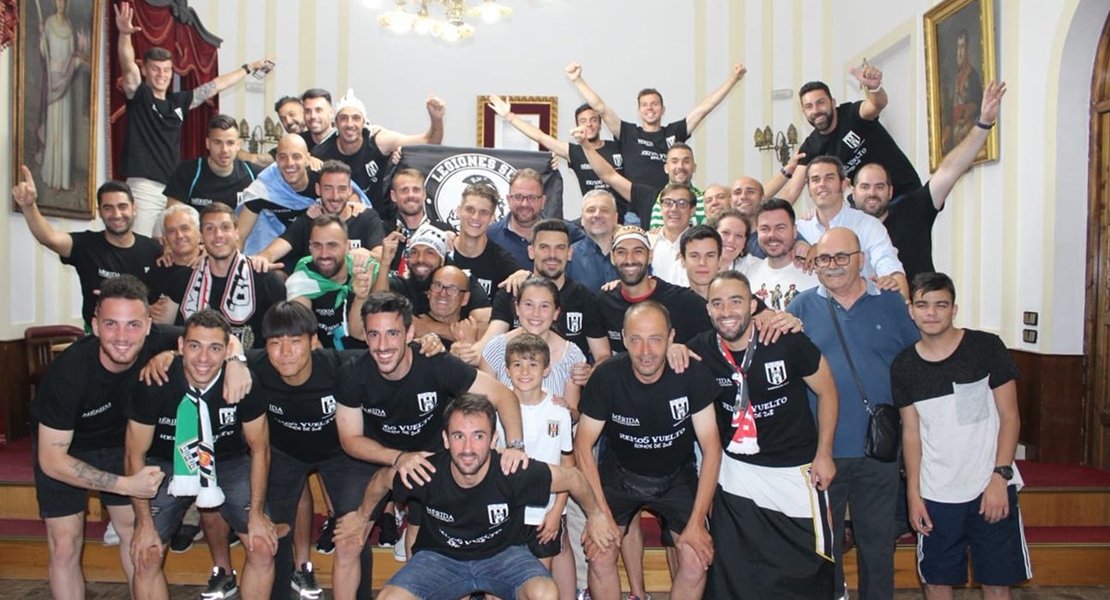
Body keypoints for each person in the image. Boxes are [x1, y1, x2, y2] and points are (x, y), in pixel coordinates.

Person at [334, 292, 530, 597]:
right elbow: (350, 440)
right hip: (374, 456)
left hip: (431, 458)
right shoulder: (353, 373)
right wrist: (399, 457)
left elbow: (503, 396)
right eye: (374, 335)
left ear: (410, 333)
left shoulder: (436, 363)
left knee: (423, 544)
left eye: (392, 334)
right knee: (347, 540)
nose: (383, 346)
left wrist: (515, 447)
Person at [339, 393, 617, 600]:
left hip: (504, 556)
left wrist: (596, 516)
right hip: (441, 559)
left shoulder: (512, 470)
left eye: (479, 436)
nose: (468, 448)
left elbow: (573, 478)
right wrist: (361, 517)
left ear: (494, 439)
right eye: (459, 436)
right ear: (446, 440)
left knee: (545, 593)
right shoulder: (426, 472)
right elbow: (381, 480)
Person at [785, 227, 920, 600]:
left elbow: (914, 366)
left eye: (842, 257)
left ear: (861, 260)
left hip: (879, 449)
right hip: (821, 452)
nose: (833, 265)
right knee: (823, 549)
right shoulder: (800, 308)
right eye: (824, 258)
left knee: (878, 545)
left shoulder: (891, 304)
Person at [687, 271, 839, 599]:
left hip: (795, 471)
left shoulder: (785, 339)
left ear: (753, 305)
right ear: (708, 309)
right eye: (717, 303)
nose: (727, 311)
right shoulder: (700, 350)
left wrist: (824, 454)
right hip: (738, 474)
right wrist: (673, 349)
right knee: (737, 570)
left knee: (810, 570)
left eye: (736, 301)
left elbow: (827, 391)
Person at [29, 276, 174, 600]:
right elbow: (52, 460)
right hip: (64, 449)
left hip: (118, 443)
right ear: (94, 326)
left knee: (135, 535)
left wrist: (173, 355)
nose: (122, 337)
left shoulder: (162, 340)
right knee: (65, 543)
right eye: (111, 324)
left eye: (133, 325)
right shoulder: (67, 374)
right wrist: (125, 485)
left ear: (149, 326)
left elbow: (221, 339)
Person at [892, 273, 1031, 599]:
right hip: (936, 493)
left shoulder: (986, 347)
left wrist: (1000, 477)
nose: (931, 313)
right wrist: (913, 495)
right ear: (911, 310)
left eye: (941, 305)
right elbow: (911, 434)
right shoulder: (903, 365)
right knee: (936, 581)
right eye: (923, 305)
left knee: (997, 582)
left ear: (954, 309)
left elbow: (1010, 416)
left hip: (989, 487)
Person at [126, 309, 279, 600]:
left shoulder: (243, 384)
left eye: (215, 348)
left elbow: (260, 450)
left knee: (261, 545)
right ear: (180, 346)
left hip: (227, 462)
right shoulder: (155, 380)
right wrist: (144, 524)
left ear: (227, 350)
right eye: (195, 346)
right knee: (146, 554)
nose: (203, 358)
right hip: (166, 465)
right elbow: (134, 455)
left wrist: (257, 514)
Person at [575, 301, 723, 600]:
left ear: (671, 338)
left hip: (676, 477)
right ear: (623, 339)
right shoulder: (607, 377)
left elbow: (712, 449)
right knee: (599, 552)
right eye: (636, 339)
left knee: (696, 558)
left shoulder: (691, 374)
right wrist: (598, 514)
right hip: (620, 475)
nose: (645, 351)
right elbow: (582, 445)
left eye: (655, 339)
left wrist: (697, 523)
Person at [114, 1, 271, 236]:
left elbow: (214, 86)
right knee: (141, 246)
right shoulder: (140, 96)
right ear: (145, 70)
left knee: (174, 247)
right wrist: (125, 35)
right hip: (144, 186)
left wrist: (248, 68)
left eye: (166, 70)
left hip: (175, 189)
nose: (161, 74)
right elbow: (127, 66)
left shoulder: (178, 102)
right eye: (155, 69)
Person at [853, 82, 1006, 280]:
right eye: (865, 187)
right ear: (853, 192)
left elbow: (950, 170)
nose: (872, 193)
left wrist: (983, 123)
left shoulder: (914, 209)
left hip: (923, 299)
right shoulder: (846, 229)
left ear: (890, 191)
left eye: (879, 186)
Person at [13, 169, 162, 327]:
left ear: (134, 208)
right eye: (108, 208)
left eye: (122, 206)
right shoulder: (86, 244)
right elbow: (49, 238)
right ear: (100, 212)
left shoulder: (154, 249)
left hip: (144, 332)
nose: (116, 214)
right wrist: (29, 207)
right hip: (98, 334)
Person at [567, 61, 746, 190]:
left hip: (671, 205)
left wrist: (733, 79)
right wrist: (578, 80)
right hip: (635, 211)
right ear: (639, 111)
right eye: (644, 105)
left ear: (663, 109)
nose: (650, 108)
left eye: (654, 104)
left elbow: (704, 108)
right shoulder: (628, 132)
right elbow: (601, 108)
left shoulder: (674, 132)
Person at [763, 66, 920, 206]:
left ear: (832, 103)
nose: (816, 110)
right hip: (870, 208)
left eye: (821, 103)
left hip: (906, 194)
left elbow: (876, 104)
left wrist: (875, 88)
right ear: (804, 112)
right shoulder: (810, 148)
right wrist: (774, 218)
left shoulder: (852, 114)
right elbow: (792, 191)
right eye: (809, 106)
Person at [501, 334, 579, 596]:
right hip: (506, 513)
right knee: (502, 580)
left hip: (544, 514)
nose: (525, 371)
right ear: (507, 370)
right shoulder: (496, 409)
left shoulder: (559, 412)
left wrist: (557, 511)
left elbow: (568, 466)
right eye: (517, 364)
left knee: (539, 581)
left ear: (546, 370)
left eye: (533, 364)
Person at [475, 219, 610, 365]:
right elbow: (488, 345)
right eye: (544, 247)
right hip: (518, 378)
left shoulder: (584, 297)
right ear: (531, 252)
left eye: (560, 248)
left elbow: (602, 356)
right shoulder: (512, 291)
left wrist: (589, 373)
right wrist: (466, 352)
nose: (552, 255)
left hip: (570, 379)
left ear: (569, 253)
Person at [312, 89, 446, 219]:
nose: (350, 124)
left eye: (356, 118)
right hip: (343, 222)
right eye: (343, 118)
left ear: (364, 122)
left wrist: (436, 119)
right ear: (335, 123)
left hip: (383, 219)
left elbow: (429, 143)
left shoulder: (379, 142)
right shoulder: (321, 154)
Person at [171, 204, 287, 349]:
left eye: (225, 227)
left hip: (250, 362)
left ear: (237, 233)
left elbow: (282, 340)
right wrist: (170, 354)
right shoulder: (183, 280)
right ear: (201, 236)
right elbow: (164, 330)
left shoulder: (266, 281)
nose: (218, 234)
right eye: (209, 228)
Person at [796, 155, 909, 298]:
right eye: (815, 179)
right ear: (808, 188)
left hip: (861, 307)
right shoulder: (800, 229)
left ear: (844, 185)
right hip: (813, 309)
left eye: (829, 178)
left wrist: (897, 287)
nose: (822, 184)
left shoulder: (868, 225)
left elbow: (888, 265)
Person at [249, 159, 383, 276]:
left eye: (341, 189)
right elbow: (273, 251)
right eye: (328, 188)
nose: (335, 196)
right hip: (313, 292)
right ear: (318, 189)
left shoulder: (366, 217)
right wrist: (262, 258)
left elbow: (382, 256)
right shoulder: (309, 219)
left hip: (357, 288)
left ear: (350, 190)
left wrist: (366, 254)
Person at [488, 97, 627, 205]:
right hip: (593, 216)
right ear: (577, 126)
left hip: (626, 216)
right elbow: (541, 137)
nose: (589, 124)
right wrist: (509, 116)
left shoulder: (618, 147)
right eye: (583, 121)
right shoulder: (574, 151)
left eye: (593, 120)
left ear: (600, 124)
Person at [598, 225, 712, 354]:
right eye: (621, 252)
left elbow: (713, 346)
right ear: (612, 257)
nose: (630, 259)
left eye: (638, 251)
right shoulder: (604, 302)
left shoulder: (685, 302)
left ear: (650, 256)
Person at [480, 277, 589, 403]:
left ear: (556, 312)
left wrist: (564, 409)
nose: (536, 313)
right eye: (529, 304)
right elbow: (482, 405)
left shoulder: (572, 356)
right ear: (517, 308)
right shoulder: (494, 349)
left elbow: (573, 411)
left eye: (544, 306)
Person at [572, 128, 701, 230]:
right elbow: (608, 175)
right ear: (666, 168)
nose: (680, 166)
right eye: (674, 161)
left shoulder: (706, 199)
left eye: (686, 161)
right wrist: (586, 145)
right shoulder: (647, 196)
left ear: (694, 167)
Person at [284, 214, 381, 349]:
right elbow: (303, 333)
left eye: (332, 245)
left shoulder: (367, 269)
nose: (324, 254)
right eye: (317, 246)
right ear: (310, 247)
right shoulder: (304, 273)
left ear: (347, 246)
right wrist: (326, 360)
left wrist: (361, 296)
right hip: (323, 355)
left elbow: (378, 330)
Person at [163, 114, 263, 212]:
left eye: (230, 143)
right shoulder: (187, 172)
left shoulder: (255, 175)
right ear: (208, 143)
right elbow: (173, 217)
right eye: (217, 142)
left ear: (238, 145)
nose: (224, 150)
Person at [38, 0, 89, 190]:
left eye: (63, 1)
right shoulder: (49, 23)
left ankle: (62, 178)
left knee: (64, 129)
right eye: (58, 1)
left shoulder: (69, 26)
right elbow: (45, 52)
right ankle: (51, 174)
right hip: (54, 80)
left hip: (66, 82)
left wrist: (77, 59)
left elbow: (72, 55)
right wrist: (42, 36)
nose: (61, 4)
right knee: (54, 129)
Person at [448, 183, 527, 296]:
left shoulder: (502, 261)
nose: (475, 217)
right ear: (458, 211)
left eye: (483, 212)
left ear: (492, 218)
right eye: (470, 209)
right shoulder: (441, 251)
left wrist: (525, 276)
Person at [744, 198, 820, 306]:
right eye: (764, 229)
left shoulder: (816, 274)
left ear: (794, 231)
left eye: (780, 228)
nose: (772, 235)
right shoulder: (747, 274)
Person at [487, 168, 564, 270]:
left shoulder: (565, 233)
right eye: (518, 197)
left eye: (532, 197)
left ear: (543, 201)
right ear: (509, 200)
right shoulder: (489, 237)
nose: (525, 204)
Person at [567, 189, 621, 294]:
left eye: (604, 210)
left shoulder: (631, 254)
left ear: (616, 218)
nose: (597, 215)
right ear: (582, 219)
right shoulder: (569, 256)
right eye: (591, 210)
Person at [942, 30, 985, 155]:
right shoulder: (955, 79)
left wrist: (967, 110)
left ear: (967, 51)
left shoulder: (972, 76)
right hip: (956, 140)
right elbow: (950, 111)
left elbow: (978, 106)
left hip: (969, 134)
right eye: (958, 48)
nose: (960, 53)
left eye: (962, 47)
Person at [650, 184, 698, 285]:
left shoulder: (700, 245)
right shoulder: (648, 242)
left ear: (692, 210)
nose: (674, 209)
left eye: (682, 203)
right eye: (668, 203)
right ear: (661, 208)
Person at [678, 225, 722, 298]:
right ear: (683, 260)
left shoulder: (737, 302)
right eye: (694, 256)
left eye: (710, 255)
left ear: (719, 260)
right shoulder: (671, 303)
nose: (702, 263)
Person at [710, 208, 759, 274]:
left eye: (739, 236)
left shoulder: (755, 268)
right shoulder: (696, 266)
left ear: (744, 241)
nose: (731, 240)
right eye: (725, 232)